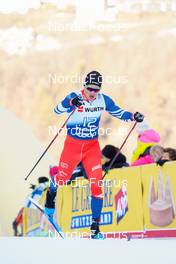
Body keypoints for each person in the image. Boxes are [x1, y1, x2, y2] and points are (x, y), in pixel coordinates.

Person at [44, 70, 144, 239]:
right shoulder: (75, 96)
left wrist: (133, 116)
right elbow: (56, 111)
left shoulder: (103, 100)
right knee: (62, 179)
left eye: (95, 89)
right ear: (85, 86)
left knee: (97, 186)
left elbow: (119, 112)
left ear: (100, 89)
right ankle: (50, 195)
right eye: (90, 88)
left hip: (91, 148)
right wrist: (70, 103)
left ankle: (95, 227)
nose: (92, 93)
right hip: (72, 147)